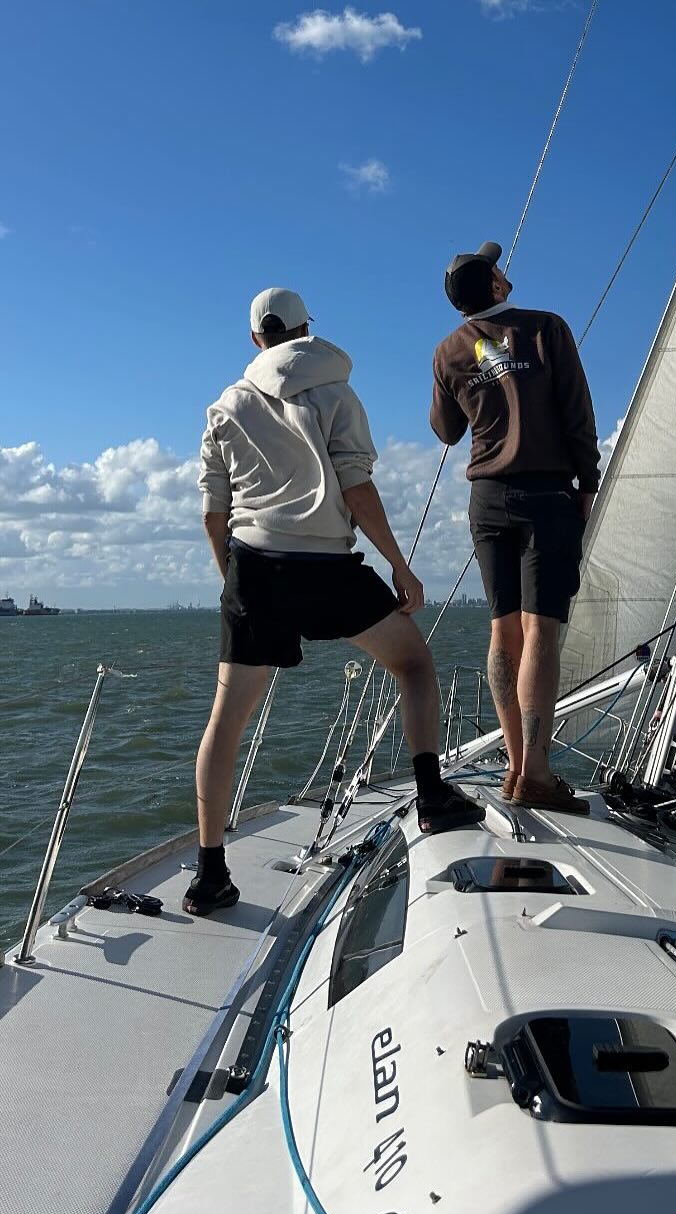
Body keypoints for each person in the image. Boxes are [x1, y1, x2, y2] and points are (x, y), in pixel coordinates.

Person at [189, 286, 483, 916]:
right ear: (305, 330)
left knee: (226, 721)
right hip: (327, 567)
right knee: (413, 663)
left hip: (254, 569)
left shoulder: (225, 407)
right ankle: (431, 795)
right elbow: (356, 487)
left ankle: (211, 874)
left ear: (255, 339)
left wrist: (230, 581)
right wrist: (400, 566)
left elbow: (215, 515)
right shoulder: (337, 392)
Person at [430, 243, 600, 815]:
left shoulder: (450, 350)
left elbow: (446, 431)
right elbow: (577, 410)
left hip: (488, 501)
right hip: (547, 496)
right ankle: (537, 773)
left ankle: (513, 765)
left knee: (504, 631)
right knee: (541, 631)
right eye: (500, 270)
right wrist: (589, 482)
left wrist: (474, 377)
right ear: (497, 286)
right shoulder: (547, 328)